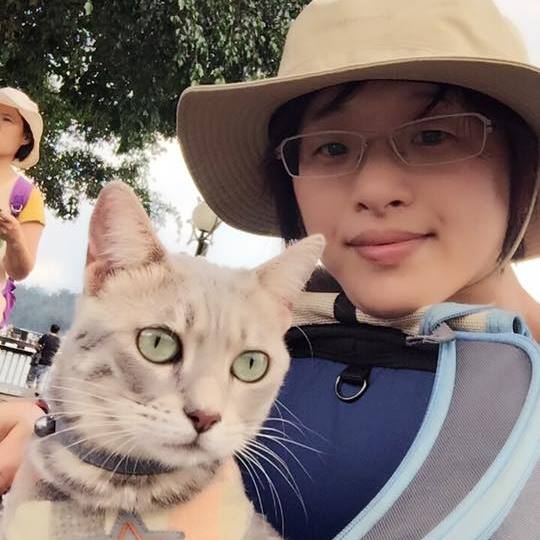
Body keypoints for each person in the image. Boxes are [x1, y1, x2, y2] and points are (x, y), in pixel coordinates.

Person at [0, 0, 539, 536]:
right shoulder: (273, 325)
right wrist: (68, 435)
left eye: (433, 136)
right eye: (331, 147)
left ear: (526, 162)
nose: (375, 189)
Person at [0, 87, 45, 326]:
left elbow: (19, 271)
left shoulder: (26, 196)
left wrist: (14, 237)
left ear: (25, 136)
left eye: (6, 119)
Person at [25, 324, 60, 393]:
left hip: (39, 360)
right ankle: (37, 392)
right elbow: (57, 351)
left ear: (50, 329)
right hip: (49, 362)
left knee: (31, 377)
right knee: (40, 378)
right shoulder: (58, 340)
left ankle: (29, 392)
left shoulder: (46, 336)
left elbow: (36, 346)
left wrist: (39, 351)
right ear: (58, 331)